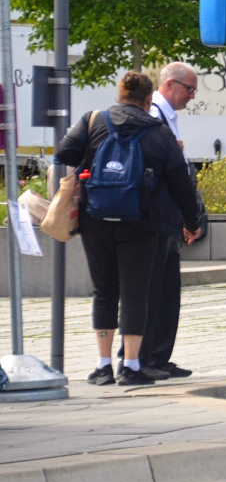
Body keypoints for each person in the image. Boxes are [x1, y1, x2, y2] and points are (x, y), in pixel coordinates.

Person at [56, 72, 202, 387]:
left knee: (104, 292)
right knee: (136, 294)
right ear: (149, 100)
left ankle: (103, 366)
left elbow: (63, 153)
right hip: (142, 222)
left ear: (120, 95)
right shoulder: (159, 133)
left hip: (96, 218)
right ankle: (131, 366)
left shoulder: (93, 120)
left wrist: (92, 161)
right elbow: (181, 186)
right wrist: (192, 222)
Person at [135, 62, 206, 380]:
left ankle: (159, 356)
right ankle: (142, 357)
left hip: (167, 216)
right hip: (154, 216)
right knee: (154, 290)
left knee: (167, 291)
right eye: (189, 88)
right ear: (169, 84)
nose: (192, 95)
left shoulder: (166, 117)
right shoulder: (153, 116)